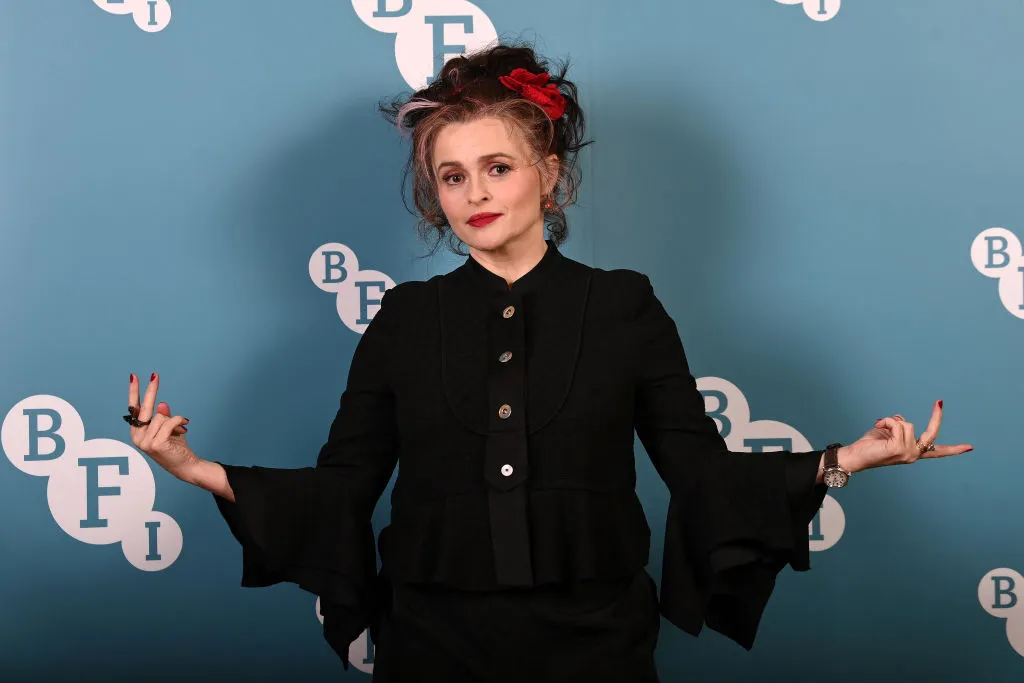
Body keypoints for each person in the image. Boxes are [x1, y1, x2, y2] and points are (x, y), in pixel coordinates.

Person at [122, 42, 974, 682]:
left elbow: (700, 474)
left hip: (596, 641)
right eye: (452, 177)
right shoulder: (405, 316)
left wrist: (846, 458)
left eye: (497, 167)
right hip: (432, 641)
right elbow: (345, 485)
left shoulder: (625, 304)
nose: (475, 193)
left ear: (549, 174)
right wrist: (195, 468)